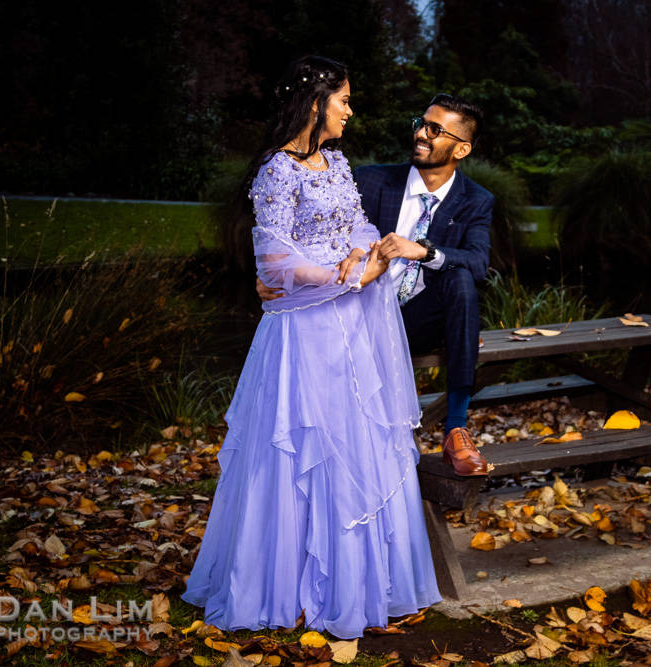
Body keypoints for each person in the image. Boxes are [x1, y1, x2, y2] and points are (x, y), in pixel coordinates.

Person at [181, 55, 441, 639]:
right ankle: (286, 584)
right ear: (316, 101)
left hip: (351, 329)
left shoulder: (336, 162)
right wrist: (344, 274)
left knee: (354, 445)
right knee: (301, 447)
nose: (351, 110)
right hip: (304, 333)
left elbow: (358, 226)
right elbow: (273, 260)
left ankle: (364, 584)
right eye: (344, 99)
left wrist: (364, 253)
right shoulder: (278, 171)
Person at [259, 94, 493, 477]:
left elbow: (479, 261)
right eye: (421, 123)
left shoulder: (476, 201)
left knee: (461, 278)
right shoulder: (370, 179)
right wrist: (272, 269)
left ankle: (456, 427)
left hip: (415, 320)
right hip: (356, 311)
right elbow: (307, 229)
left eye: (435, 130)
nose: (421, 133)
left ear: (462, 148)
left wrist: (422, 250)